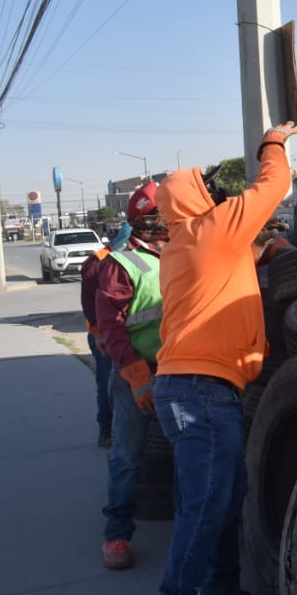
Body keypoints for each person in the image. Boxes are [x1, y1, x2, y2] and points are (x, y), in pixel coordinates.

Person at [146, 122, 297, 595]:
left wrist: (262, 254)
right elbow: (274, 185)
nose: (218, 195)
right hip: (201, 392)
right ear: (194, 201)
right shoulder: (212, 230)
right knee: (206, 506)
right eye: (209, 190)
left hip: (192, 390)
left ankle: (219, 588)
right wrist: (273, 143)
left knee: (224, 497)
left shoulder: (184, 244)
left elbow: (223, 269)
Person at [98, 187, 167, 571]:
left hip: (179, 370)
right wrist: (137, 376)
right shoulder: (122, 265)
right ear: (150, 218)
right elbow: (112, 328)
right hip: (138, 374)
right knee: (128, 455)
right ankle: (117, 532)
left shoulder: (178, 255)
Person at [81, 222, 131, 447]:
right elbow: (90, 306)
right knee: (106, 381)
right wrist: (99, 333)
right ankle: (106, 429)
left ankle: (122, 428)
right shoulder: (96, 263)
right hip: (102, 335)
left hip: (125, 333)